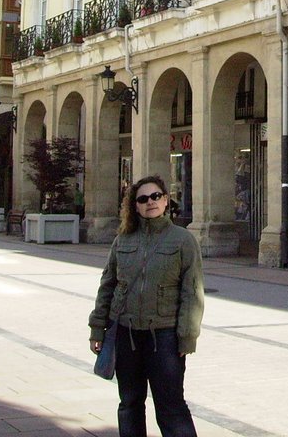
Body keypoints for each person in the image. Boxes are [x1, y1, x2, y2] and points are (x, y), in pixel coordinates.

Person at [89, 175, 204, 437]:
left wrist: (187, 337)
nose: (150, 202)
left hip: (164, 336)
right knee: (129, 404)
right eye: (142, 199)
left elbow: (192, 292)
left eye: (155, 196)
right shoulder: (123, 240)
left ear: (165, 201)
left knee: (171, 406)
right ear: (135, 206)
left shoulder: (183, 240)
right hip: (126, 334)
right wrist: (98, 328)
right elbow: (107, 285)